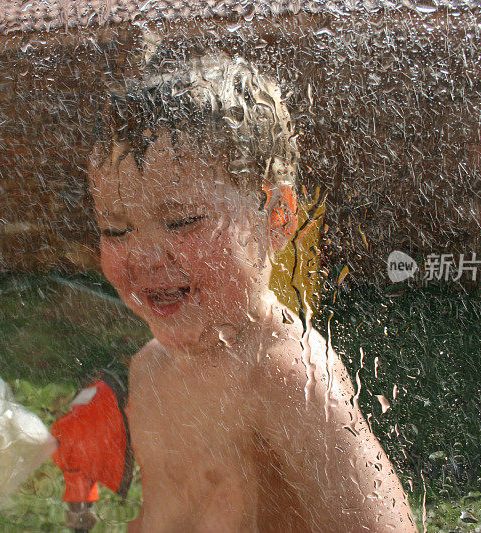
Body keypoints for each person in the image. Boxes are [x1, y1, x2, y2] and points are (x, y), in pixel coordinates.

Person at [85, 48, 416, 532]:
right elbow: (164, 515)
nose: (146, 258)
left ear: (275, 218)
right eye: (116, 231)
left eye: (182, 222)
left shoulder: (286, 375)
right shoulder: (149, 369)